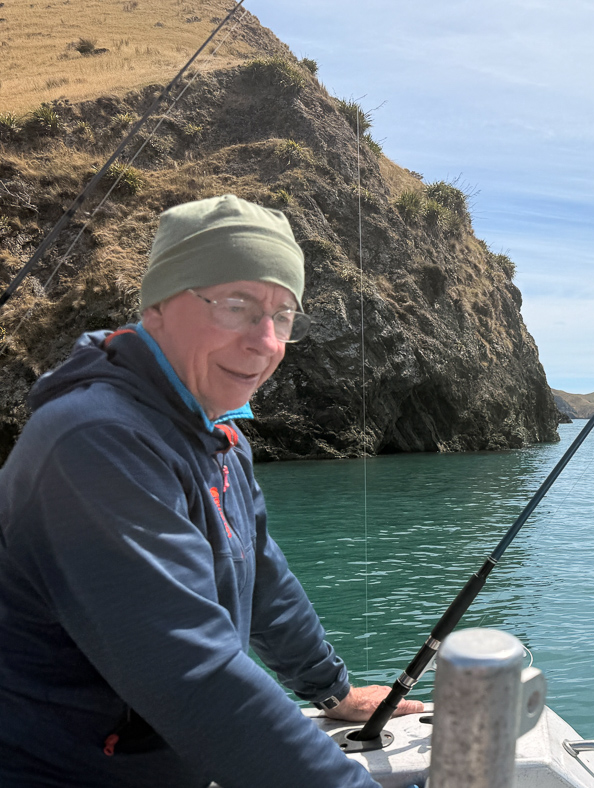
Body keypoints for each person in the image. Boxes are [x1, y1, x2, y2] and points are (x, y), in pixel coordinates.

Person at [0, 194, 423, 787]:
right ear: (158, 305)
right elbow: (192, 676)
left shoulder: (219, 436)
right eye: (237, 306)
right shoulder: (95, 440)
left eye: (283, 316)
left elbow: (265, 581)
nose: (266, 341)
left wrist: (333, 691)